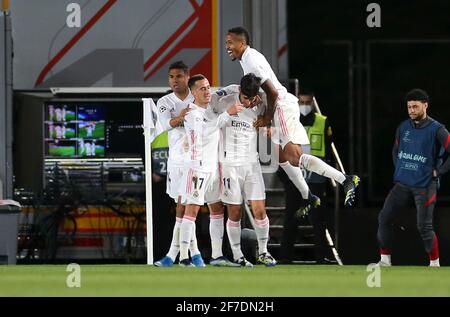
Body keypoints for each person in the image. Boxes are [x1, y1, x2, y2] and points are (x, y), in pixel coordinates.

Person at [225, 26, 360, 209]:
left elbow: (273, 93)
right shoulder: (247, 57)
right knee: (280, 156)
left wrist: (266, 117)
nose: (227, 46)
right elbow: (265, 90)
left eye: (230, 42)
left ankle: (345, 179)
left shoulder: (251, 61)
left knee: (294, 156)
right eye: (226, 43)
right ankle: (308, 196)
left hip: (281, 107)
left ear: (242, 43)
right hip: (277, 106)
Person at [377, 89, 450, 267]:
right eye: (409, 107)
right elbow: (396, 150)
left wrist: (438, 171)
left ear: (425, 105)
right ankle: (385, 261)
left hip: (425, 185)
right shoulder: (403, 127)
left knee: (424, 227)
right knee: (384, 218)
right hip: (402, 184)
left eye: (415, 106)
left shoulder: (437, 129)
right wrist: (401, 169)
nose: (411, 110)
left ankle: (435, 264)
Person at [212, 73, 277, 267]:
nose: (249, 102)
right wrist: (228, 113)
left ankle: (264, 252)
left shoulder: (261, 100)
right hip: (229, 164)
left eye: (252, 98)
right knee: (234, 211)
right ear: (240, 91)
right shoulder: (224, 99)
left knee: (259, 210)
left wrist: (267, 122)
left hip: (251, 163)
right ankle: (238, 254)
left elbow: (270, 116)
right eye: (246, 98)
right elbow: (209, 123)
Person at [178, 74, 242, 267]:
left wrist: (241, 87)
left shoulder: (209, 107)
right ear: (193, 92)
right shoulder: (191, 113)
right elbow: (206, 131)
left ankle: (216, 255)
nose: (207, 91)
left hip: (213, 168)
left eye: (208, 87)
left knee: (217, 209)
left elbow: (227, 89)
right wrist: (227, 113)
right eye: (202, 88)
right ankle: (183, 257)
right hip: (198, 168)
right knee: (192, 211)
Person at [153, 61, 205, 267]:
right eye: (171, 77)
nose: (175, 81)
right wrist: (181, 117)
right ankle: (192, 254)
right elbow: (165, 124)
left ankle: (179, 255)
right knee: (180, 208)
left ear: (187, 77)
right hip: (175, 162)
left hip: (196, 161)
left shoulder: (197, 96)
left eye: (179, 77)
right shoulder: (165, 101)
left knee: (187, 207)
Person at [279, 88, 337, 264]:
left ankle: (321, 256)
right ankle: (285, 257)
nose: (304, 106)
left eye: (307, 102)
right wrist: (285, 178)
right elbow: (280, 153)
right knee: (291, 218)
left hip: (315, 180)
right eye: (301, 102)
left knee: (318, 219)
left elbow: (328, 151)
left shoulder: (323, 122)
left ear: (312, 102)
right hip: (294, 179)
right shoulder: (288, 122)